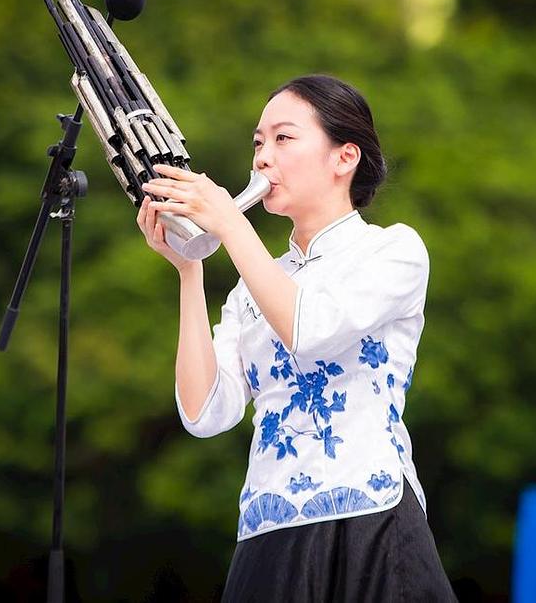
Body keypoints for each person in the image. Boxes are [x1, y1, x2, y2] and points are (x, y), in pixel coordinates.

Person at [136, 74, 457, 602]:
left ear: (344, 158)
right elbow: (204, 413)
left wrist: (228, 225)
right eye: (258, 142)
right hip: (269, 524)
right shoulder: (252, 284)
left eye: (284, 139)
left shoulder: (393, 251)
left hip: (368, 516)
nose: (263, 158)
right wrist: (189, 270)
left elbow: (310, 329)